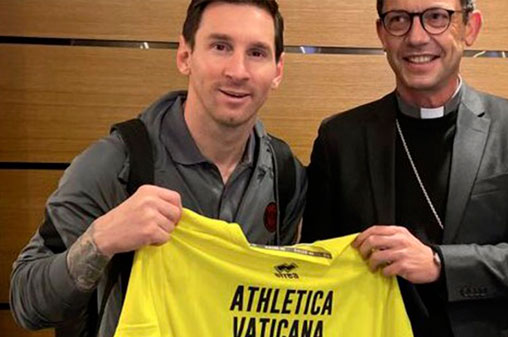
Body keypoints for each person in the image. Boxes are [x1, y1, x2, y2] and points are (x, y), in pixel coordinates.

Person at [10, 1, 306, 336]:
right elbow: (26, 303)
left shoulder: (286, 175)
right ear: (185, 56)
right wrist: (101, 240)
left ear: (277, 70)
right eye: (220, 47)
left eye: (257, 52)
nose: (238, 70)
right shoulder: (115, 164)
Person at [302, 0, 508, 336]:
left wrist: (440, 263)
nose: (417, 37)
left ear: (470, 27)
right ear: (382, 34)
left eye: (437, 17)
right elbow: (316, 270)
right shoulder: (340, 138)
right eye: (399, 19)